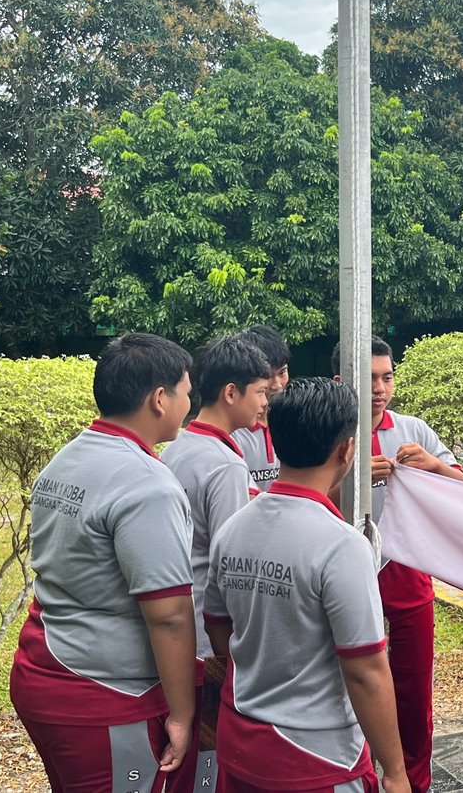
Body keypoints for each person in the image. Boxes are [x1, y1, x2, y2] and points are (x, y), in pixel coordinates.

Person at [10, 333, 198, 793]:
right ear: (160, 399)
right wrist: (183, 712)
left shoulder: (67, 458)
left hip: (44, 665)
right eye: (187, 393)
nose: (190, 405)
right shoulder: (147, 483)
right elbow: (169, 614)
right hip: (104, 693)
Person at [204, 378, 409, 793]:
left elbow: (217, 626)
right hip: (317, 756)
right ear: (347, 450)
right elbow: (366, 670)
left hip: (241, 740)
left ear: (275, 443)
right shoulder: (341, 546)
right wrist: (396, 772)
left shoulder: (233, 529)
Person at [334, 336, 463, 793]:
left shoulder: (412, 429)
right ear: (342, 381)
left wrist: (431, 465)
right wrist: (351, 480)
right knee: (349, 682)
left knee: (413, 690)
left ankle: (415, 780)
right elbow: (304, 492)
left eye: (386, 376)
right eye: (369, 378)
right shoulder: (328, 431)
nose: (380, 387)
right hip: (343, 571)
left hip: (407, 568)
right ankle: (360, 776)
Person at [160, 335, 271, 783]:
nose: (265, 404)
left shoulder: (180, 446)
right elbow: (233, 562)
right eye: (261, 392)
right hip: (210, 640)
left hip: (180, 628)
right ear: (231, 392)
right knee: (209, 762)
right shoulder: (225, 464)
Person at [232, 324, 291, 493]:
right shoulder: (233, 432)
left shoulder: (293, 423)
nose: (277, 385)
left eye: (282, 373)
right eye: (267, 376)